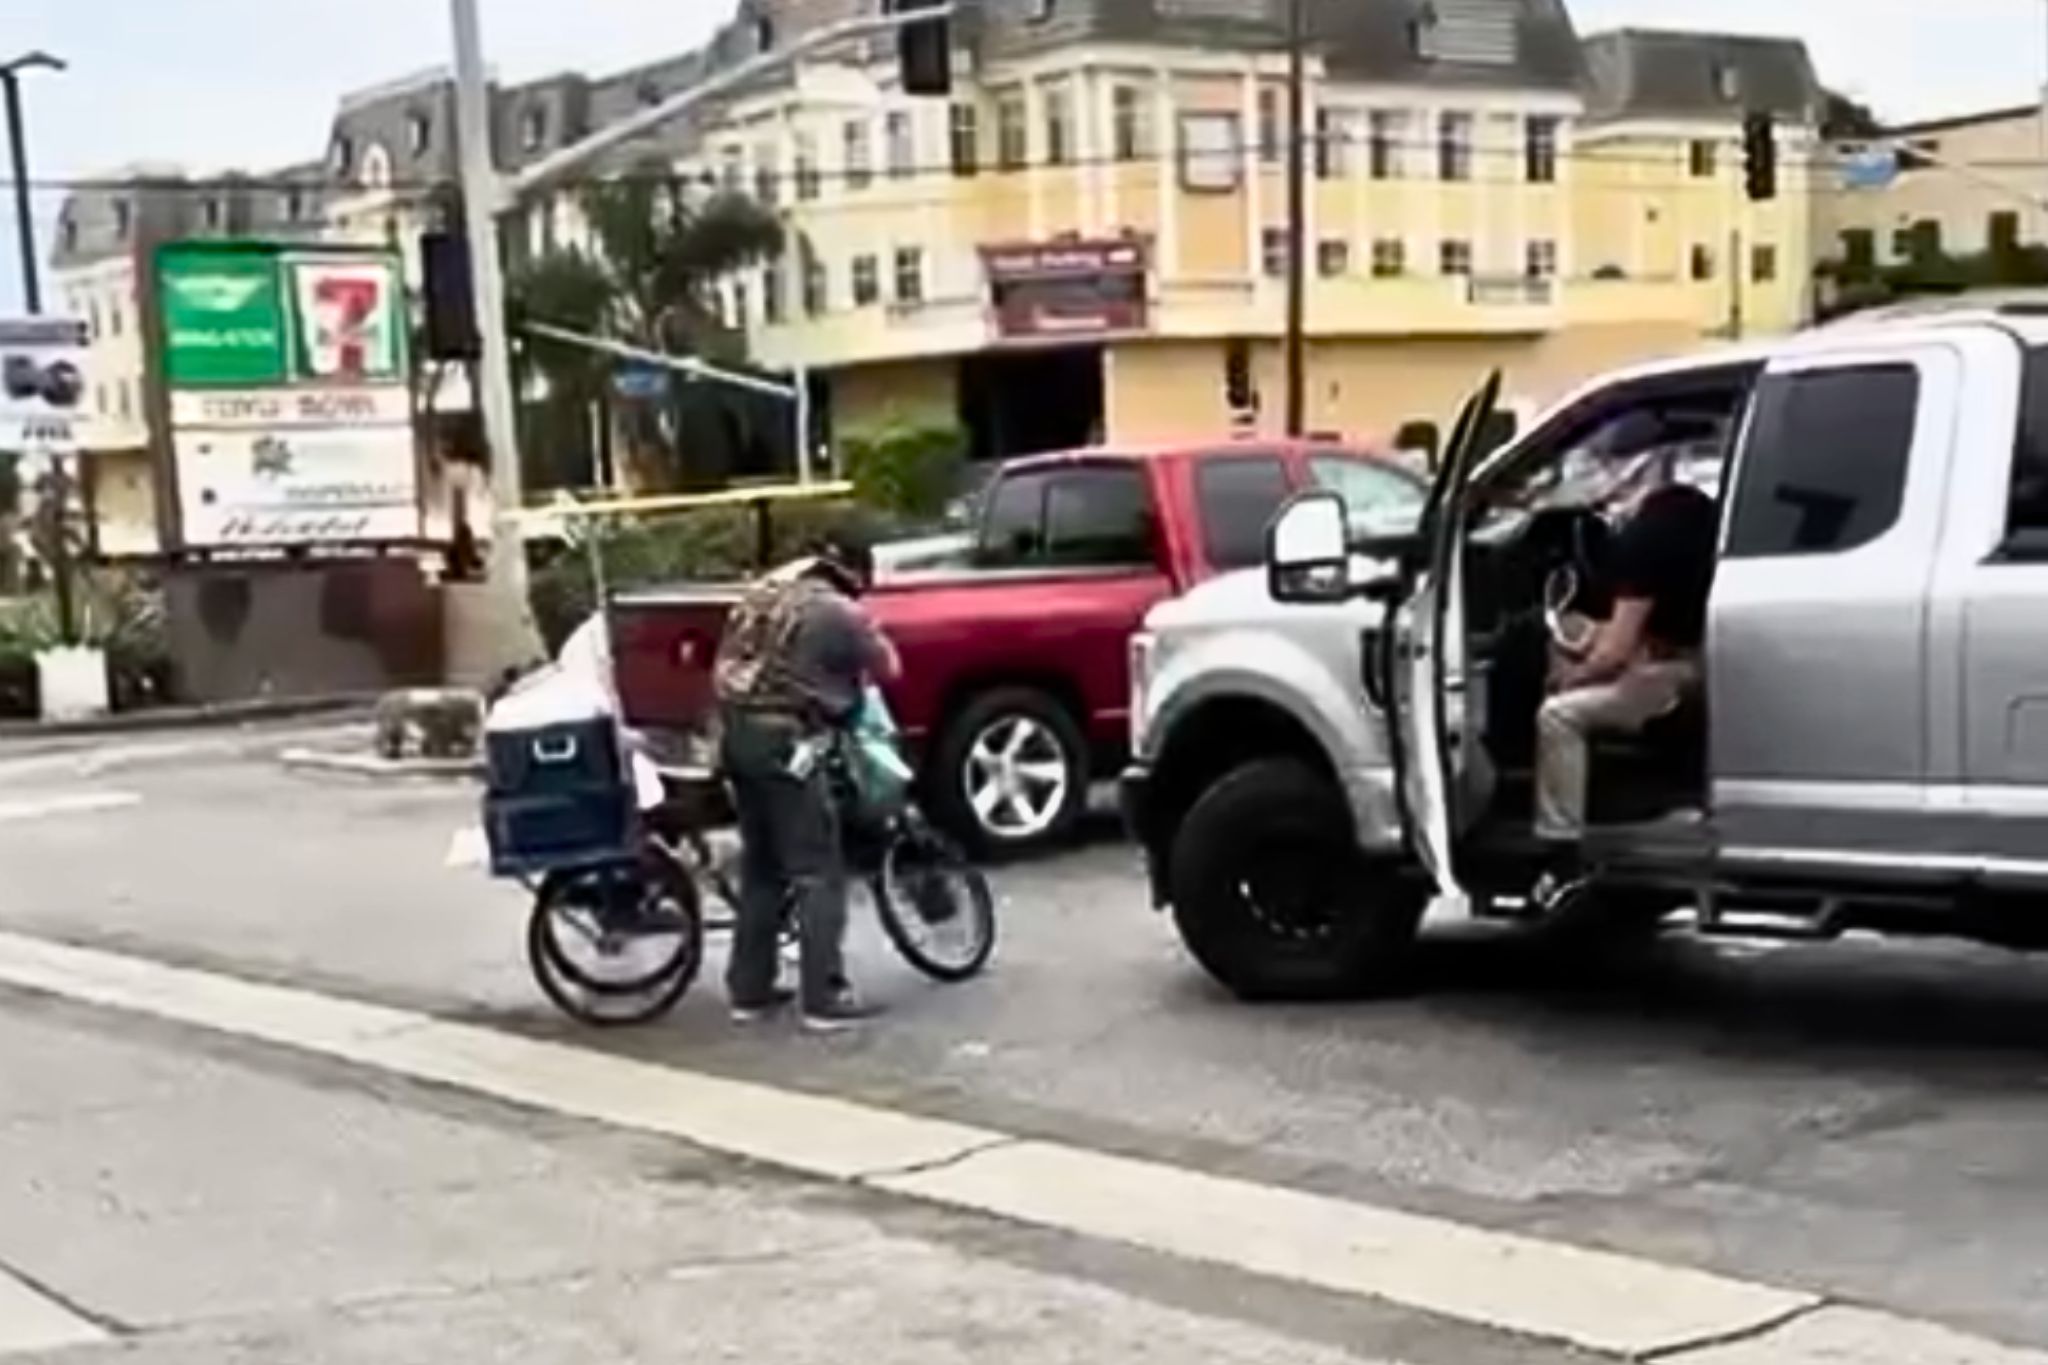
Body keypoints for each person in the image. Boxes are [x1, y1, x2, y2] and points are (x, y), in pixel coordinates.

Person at [713, 532, 902, 1031]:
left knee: (762, 866)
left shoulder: (760, 595)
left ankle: (748, 992)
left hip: (733, 739)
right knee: (818, 869)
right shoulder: (838, 612)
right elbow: (891, 668)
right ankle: (823, 997)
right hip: (787, 743)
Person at [1535, 459, 1718, 842]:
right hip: (1708, 654)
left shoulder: (1642, 541)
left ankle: (1560, 838)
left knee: (1557, 717)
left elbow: (1614, 654)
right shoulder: (1697, 511)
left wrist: (1568, 680)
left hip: (1683, 677)